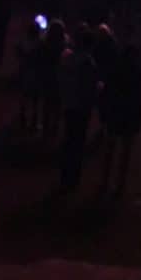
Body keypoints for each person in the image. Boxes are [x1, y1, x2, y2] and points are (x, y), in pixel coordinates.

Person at [96, 45, 141, 198]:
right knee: (124, 151)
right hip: (129, 117)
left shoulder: (115, 72)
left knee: (110, 150)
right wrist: (140, 117)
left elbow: (105, 95)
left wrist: (104, 114)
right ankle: (119, 183)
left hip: (115, 116)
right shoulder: (138, 74)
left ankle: (105, 181)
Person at [58, 29, 100, 191]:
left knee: (69, 139)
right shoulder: (87, 62)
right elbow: (89, 87)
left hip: (69, 103)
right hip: (81, 107)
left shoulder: (67, 57)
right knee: (77, 142)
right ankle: (72, 178)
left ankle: (65, 175)